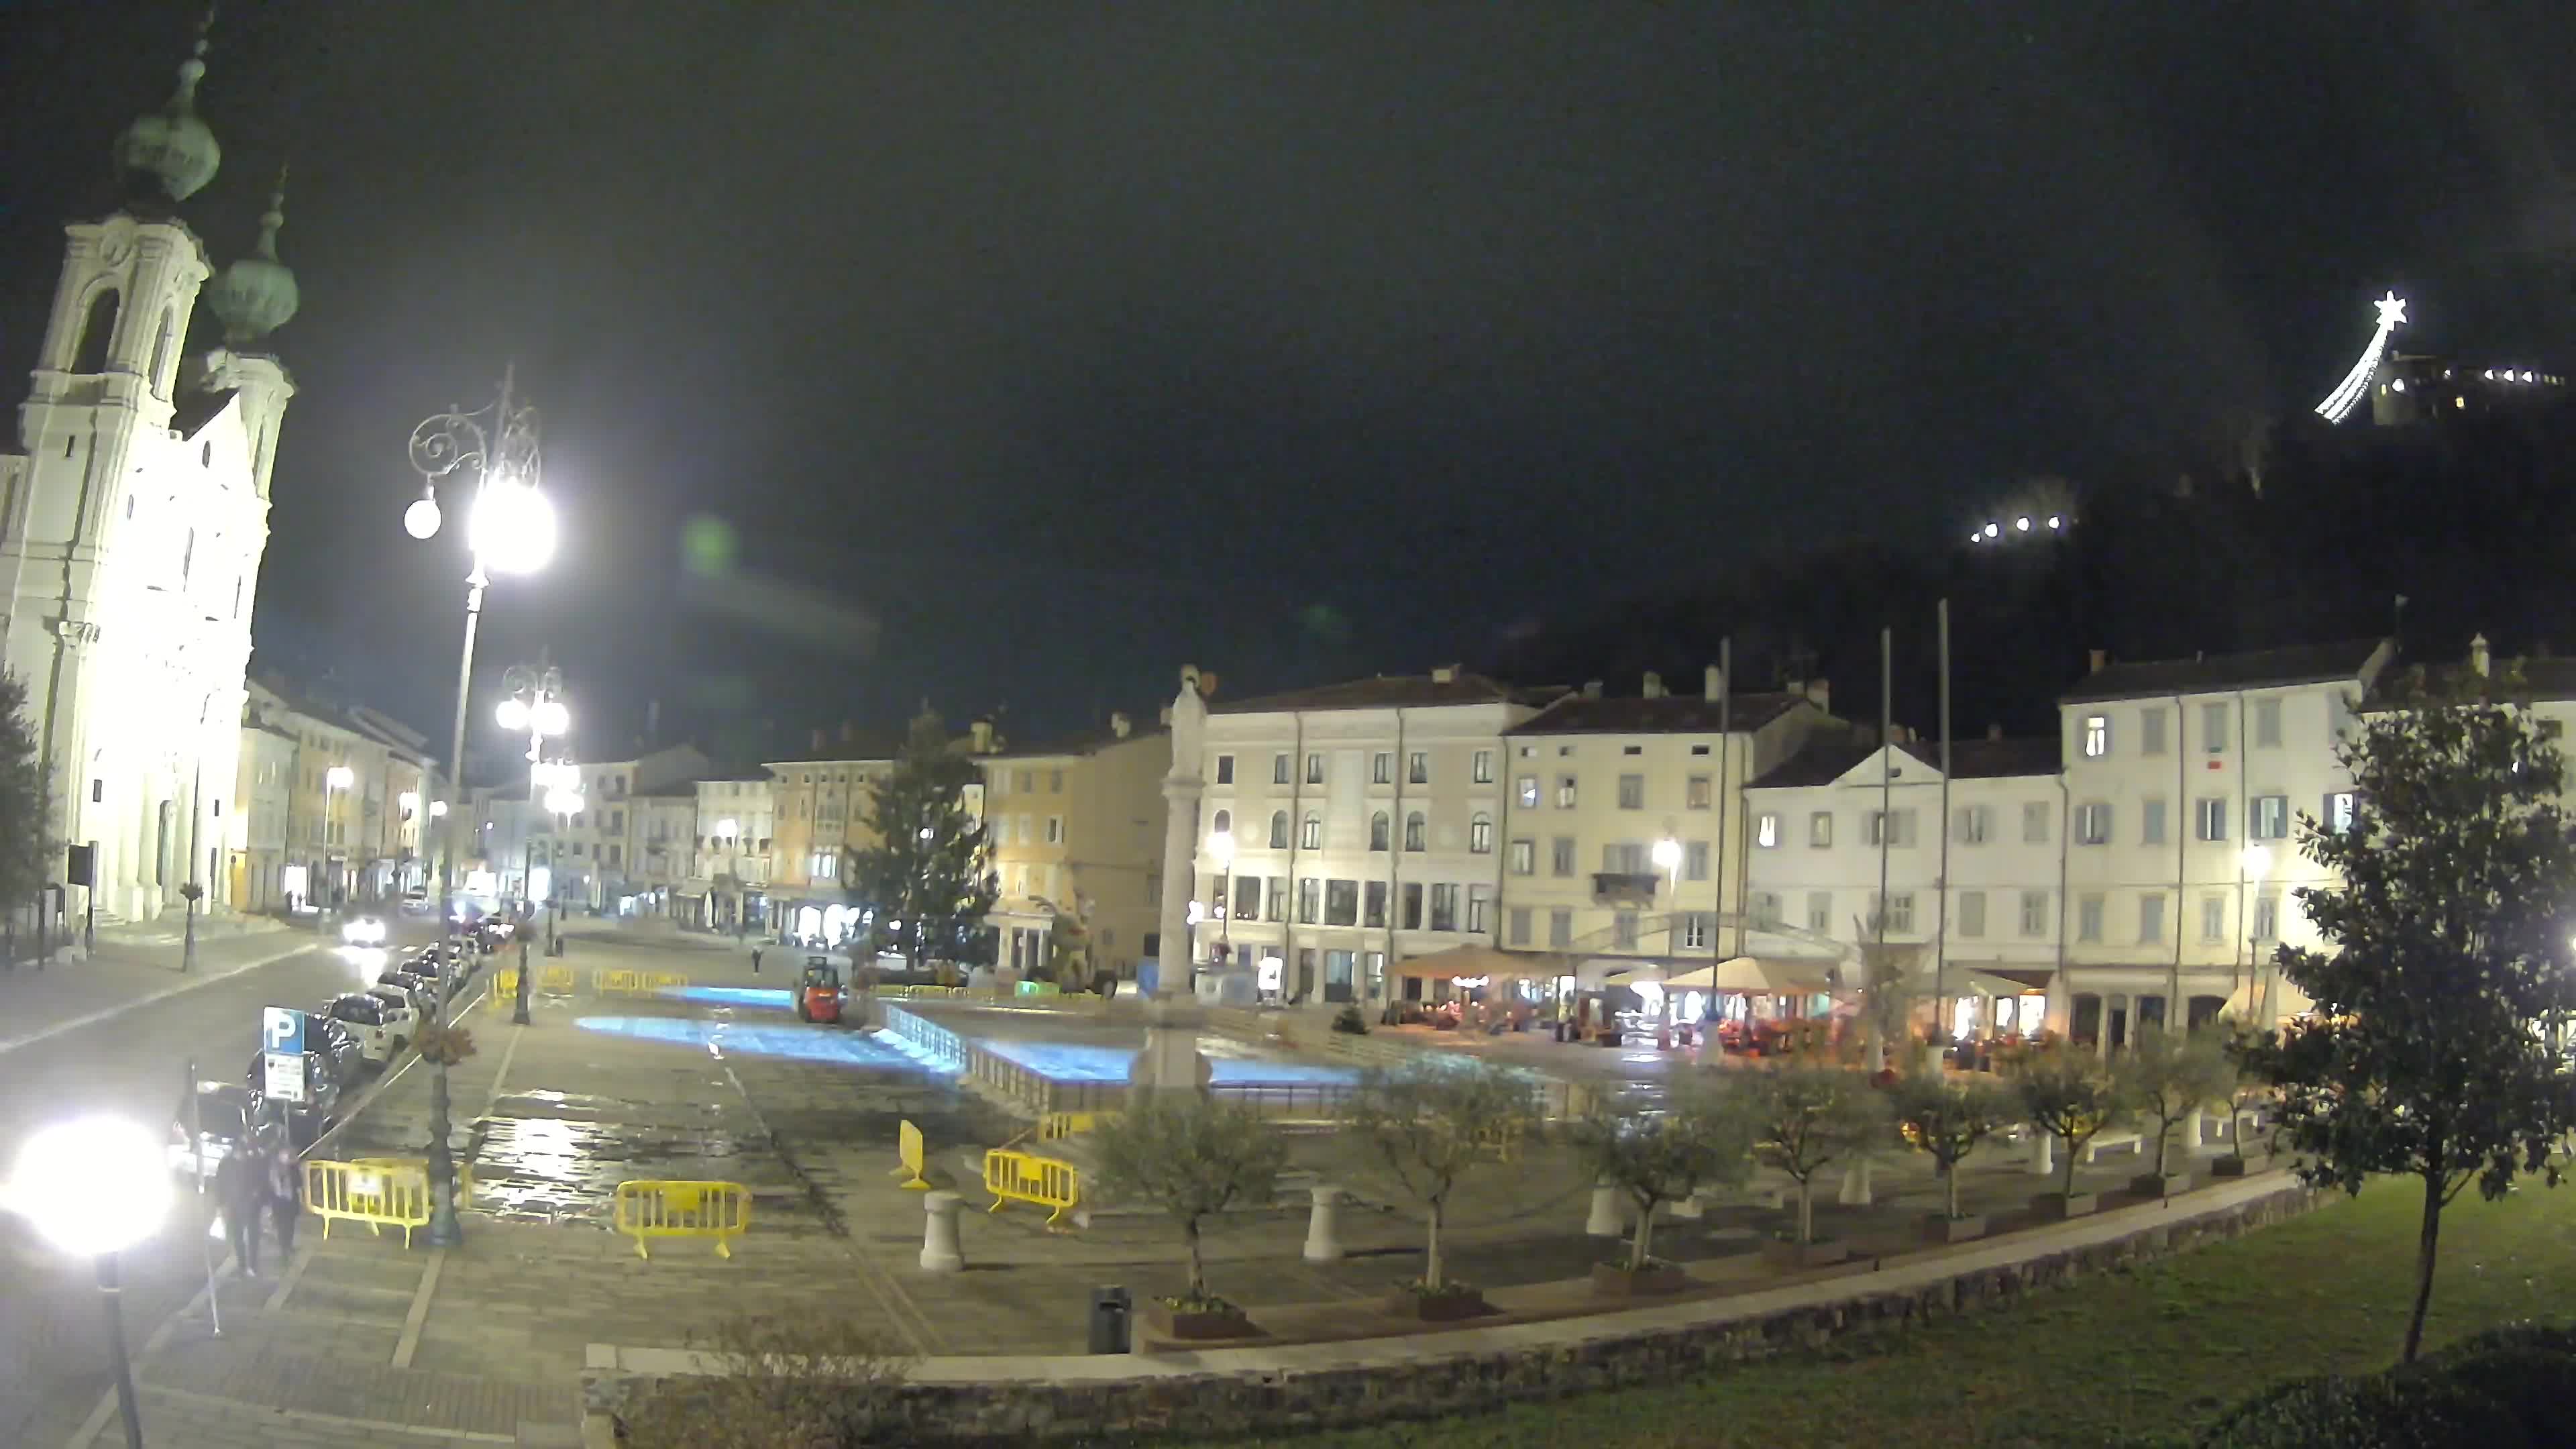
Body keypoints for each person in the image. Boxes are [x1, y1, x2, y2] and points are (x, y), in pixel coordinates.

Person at [214, 1141, 264, 1277]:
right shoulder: (226, 1164)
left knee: (253, 1236)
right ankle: (243, 1265)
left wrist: (258, 1193)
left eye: (244, 1154)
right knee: (237, 1236)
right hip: (234, 1205)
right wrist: (220, 1205)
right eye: (240, 1154)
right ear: (235, 1152)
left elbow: (261, 1181)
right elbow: (220, 1184)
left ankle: (252, 1265)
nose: (243, 1156)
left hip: (250, 1205)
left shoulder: (252, 1163)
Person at [264, 1134, 303, 1262]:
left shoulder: (293, 1166)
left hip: (291, 1200)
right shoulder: (274, 1168)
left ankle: (288, 1245)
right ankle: (283, 1250)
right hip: (279, 1201)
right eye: (285, 1153)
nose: (287, 1155)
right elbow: (271, 1185)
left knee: (290, 1224)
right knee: (282, 1226)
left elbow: (299, 1181)